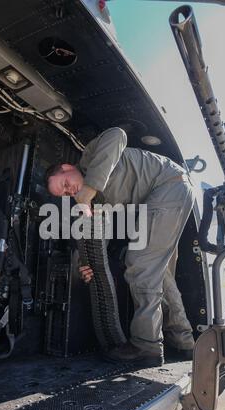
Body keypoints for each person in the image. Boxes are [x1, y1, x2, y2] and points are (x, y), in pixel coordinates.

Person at [45, 127, 195, 367]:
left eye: (64, 184)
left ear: (67, 168)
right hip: (166, 196)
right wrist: (86, 264)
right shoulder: (95, 200)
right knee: (160, 274)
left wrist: (89, 188)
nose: (67, 192)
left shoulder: (90, 158)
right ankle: (183, 342)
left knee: (140, 265)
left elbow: (118, 135)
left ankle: (146, 346)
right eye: (62, 194)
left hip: (169, 186)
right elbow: (97, 238)